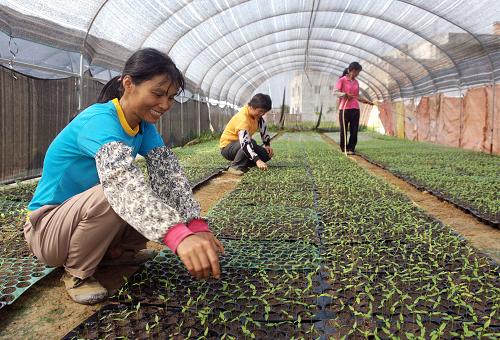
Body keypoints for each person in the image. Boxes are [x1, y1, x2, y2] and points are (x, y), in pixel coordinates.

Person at [24, 48, 224, 305]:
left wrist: (195, 226)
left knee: (149, 187)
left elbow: (169, 177)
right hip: (47, 229)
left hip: (78, 224)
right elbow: (121, 183)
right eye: (158, 93)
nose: (165, 105)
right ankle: (77, 273)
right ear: (128, 83)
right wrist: (177, 236)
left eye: (171, 97)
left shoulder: (144, 127)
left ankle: (117, 254)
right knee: (118, 190)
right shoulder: (99, 122)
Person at [219, 93, 274, 175]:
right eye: (260, 111)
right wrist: (257, 160)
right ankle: (235, 166)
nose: (262, 114)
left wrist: (267, 145)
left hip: (242, 146)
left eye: (264, 112)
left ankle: (244, 162)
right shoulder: (243, 118)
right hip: (228, 148)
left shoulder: (257, 117)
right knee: (251, 142)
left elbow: (263, 128)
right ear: (251, 107)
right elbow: (245, 143)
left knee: (266, 155)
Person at [335, 62, 374, 155]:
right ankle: (344, 148)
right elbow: (335, 92)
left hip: (355, 108)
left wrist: (366, 101)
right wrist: (344, 94)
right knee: (344, 130)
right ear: (352, 70)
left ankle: (351, 148)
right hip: (344, 109)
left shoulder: (356, 82)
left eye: (358, 72)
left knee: (354, 130)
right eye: (357, 72)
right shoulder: (342, 80)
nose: (358, 74)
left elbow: (357, 96)